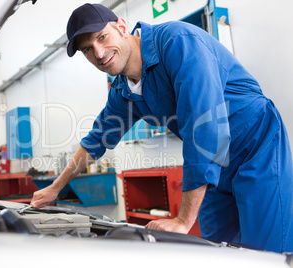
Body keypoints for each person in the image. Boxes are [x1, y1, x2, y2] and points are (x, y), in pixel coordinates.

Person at [30, 3, 293, 253]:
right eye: (87, 49)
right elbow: (96, 141)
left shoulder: (178, 43)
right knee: (218, 250)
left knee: (266, 252)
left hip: (256, 146)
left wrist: (183, 220)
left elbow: (205, 127)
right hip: (216, 164)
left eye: (102, 37)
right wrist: (56, 187)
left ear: (122, 26)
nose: (98, 53)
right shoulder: (124, 92)